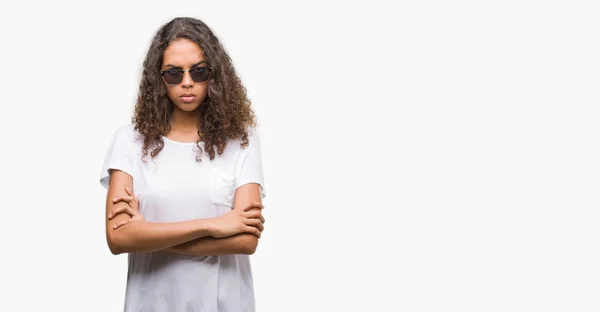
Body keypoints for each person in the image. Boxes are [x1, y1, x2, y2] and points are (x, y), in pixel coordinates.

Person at [99, 16, 267, 312]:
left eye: (199, 71)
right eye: (174, 74)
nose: (187, 82)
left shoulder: (241, 141)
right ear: (158, 78)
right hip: (151, 303)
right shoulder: (130, 142)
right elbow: (118, 238)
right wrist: (214, 226)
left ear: (215, 74)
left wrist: (148, 235)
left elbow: (245, 241)